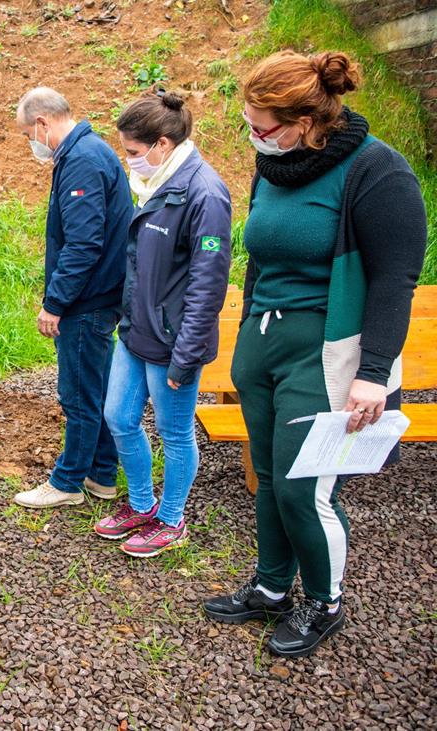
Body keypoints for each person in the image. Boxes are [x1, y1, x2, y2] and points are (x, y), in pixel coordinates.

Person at [202, 51, 427, 657]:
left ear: (306, 119)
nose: (256, 138)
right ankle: (272, 588)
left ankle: (324, 604)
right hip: (264, 346)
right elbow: (263, 256)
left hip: (329, 353)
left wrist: (374, 374)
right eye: (249, 125)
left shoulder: (377, 171)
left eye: (265, 127)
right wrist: (248, 330)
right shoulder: (274, 166)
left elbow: (394, 280)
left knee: (306, 488)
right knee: (271, 480)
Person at [95, 89, 232, 557]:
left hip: (174, 343)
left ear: (162, 145)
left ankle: (171, 519)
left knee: (174, 433)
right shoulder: (155, 184)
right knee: (118, 416)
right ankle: (140, 504)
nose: (128, 160)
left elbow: (208, 286)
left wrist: (186, 354)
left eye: (133, 152)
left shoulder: (206, 194)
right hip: (135, 332)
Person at [11, 87, 132, 509]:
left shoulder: (81, 161)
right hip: (99, 295)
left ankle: (66, 482)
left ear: (43, 123)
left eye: (29, 133)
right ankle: (101, 475)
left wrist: (55, 302)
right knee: (92, 387)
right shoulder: (88, 153)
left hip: (87, 299)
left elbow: (83, 244)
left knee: (77, 394)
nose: (31, 143)